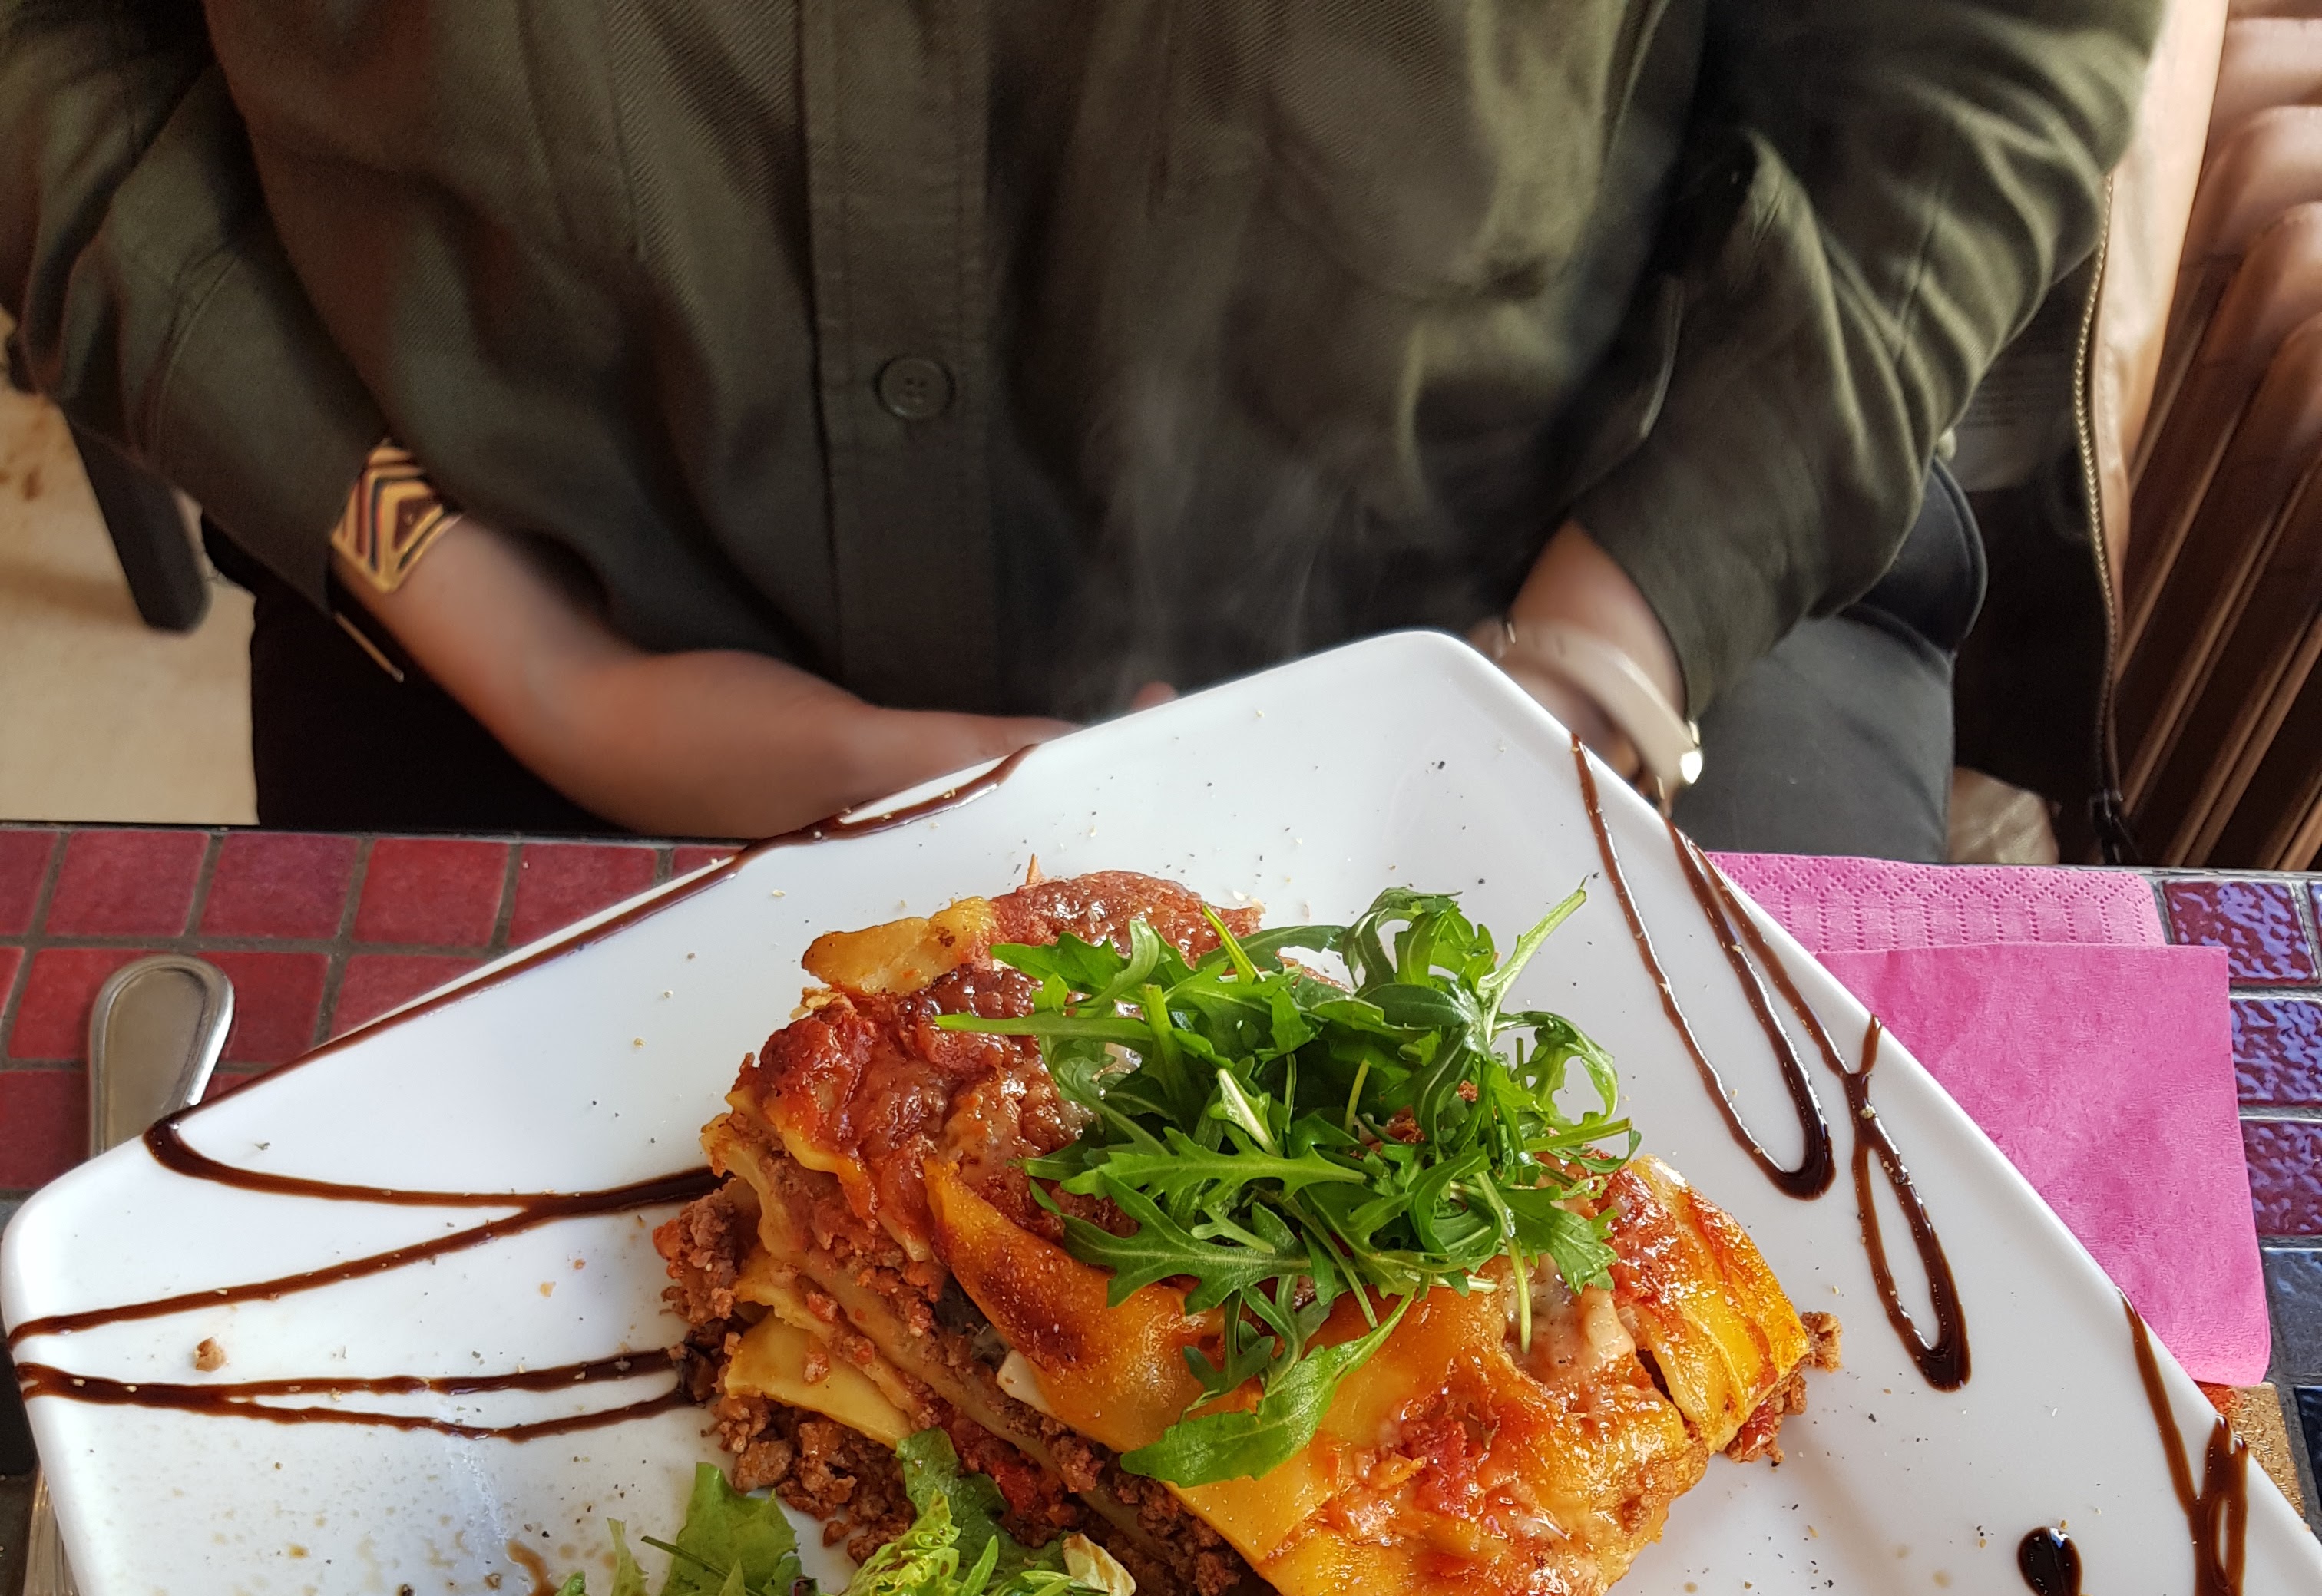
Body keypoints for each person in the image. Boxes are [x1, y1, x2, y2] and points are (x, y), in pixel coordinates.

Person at [3, 1, 2160, 857]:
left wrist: (1601, 650)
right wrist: (554, 678)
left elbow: (1984, 45)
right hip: (509, 624)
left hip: (1595, 606)